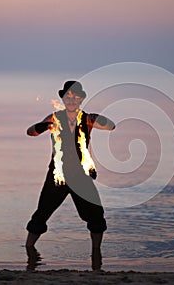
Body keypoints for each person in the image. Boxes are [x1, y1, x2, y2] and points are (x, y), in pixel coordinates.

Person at [25, 80, 115, 271]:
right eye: (68, 96)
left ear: (81, 99)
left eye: (75, 96)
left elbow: (111, 126)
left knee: (96, 216)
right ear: (63, 98)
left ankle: (96, 255)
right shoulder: (54, 117)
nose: (71, 99)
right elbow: (30, 132)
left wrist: (99, 118)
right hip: (57, 177)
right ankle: (28, 251)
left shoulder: (88, 119)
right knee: (42, 214)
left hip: (81, 177)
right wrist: (44, 126)